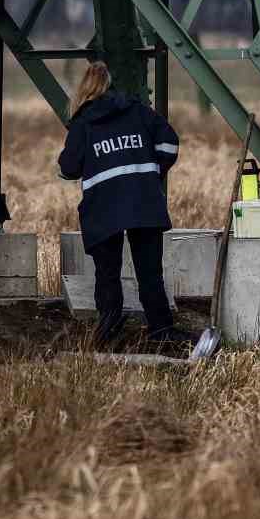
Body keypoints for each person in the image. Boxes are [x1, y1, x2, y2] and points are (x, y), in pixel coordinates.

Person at [57, 60, 183, 346]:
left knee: (107, 274)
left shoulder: (83, 122)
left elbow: (68, 167)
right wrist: (151, 170)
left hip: (104, 208)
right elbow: (169, 145)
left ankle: (108, 330)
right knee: (150, 273)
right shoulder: (139, 111)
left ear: (84, 90)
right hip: (143, 201)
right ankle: (161, 331)